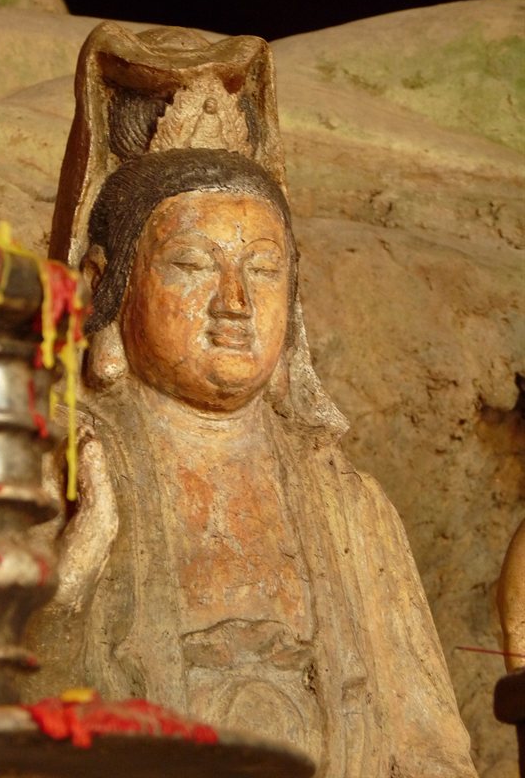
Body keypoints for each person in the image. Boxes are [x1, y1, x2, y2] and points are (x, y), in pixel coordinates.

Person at [25, 147, 476, 777]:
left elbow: (433, 753)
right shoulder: (57, 475)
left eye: (263, 270)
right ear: (104, 286)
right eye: (191, 264)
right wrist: (60, 606)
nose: (233, 302)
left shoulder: (350, 506)